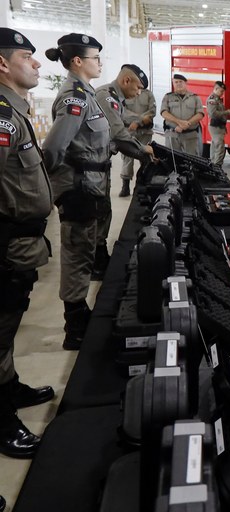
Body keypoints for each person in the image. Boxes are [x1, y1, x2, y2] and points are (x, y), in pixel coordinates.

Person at [0, 28, 55, 459]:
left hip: (18, 245)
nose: (37, 63)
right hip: (4, 245)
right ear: (3, 64)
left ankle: (9, 388)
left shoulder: (13, 112)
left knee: (8, 322)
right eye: (26, 56)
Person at [42, 33, 110, 351]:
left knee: (82, 253)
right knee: (76, 256)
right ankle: (76, 327)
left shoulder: (86, 93)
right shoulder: (74, 97)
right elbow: (53, 148)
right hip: (78, 189)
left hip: (89, 188)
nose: (100, 62)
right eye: (96, 57)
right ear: (78, 61)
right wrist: (62, 186)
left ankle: (80, 315)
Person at [92, 64, 155, 281]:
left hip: (101, 164)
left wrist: (138, 119)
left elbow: (124, 116)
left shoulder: (113, 98)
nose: (139, 93)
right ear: (126, 81)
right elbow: (119, 134)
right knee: (97, 212)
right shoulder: (106, 96)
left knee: (103, 210)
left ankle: (99, 256)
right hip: (90, 167)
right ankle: (95, 262)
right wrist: (143, 151)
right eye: (137, 88)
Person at [119, 87, 156, 197]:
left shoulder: (148, 94)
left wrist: (138, 122)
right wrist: (138, 119)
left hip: (145, 131)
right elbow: (121, 110)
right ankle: (125, 186)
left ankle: (140, 185)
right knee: (127, 159)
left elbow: (152, 111)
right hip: (128, 131)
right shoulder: (122, 92)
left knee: (145, 158)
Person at [160, 74, 203, 155]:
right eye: (176, 82)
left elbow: (200, 114)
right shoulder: (168, 97)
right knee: (172, 161)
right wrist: (179, 122)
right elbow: (164, 113)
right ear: (173, 83)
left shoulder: (195, 97)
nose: (178, 84)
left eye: (181, 82)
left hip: (190, 135)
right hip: (172, 135)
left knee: (192, 161)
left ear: (186, 83)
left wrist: (187, 124)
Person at [206, 80, 228, 167]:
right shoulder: (212, 99)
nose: (222, 93)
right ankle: (217, 167)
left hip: (219, 126)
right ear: (216, 89)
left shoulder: (218, 99)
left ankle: (212, 166)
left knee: (215, 146)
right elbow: (213, 113)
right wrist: (226, 112)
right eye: (221, 91)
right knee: (219, 148)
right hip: (216, 126)